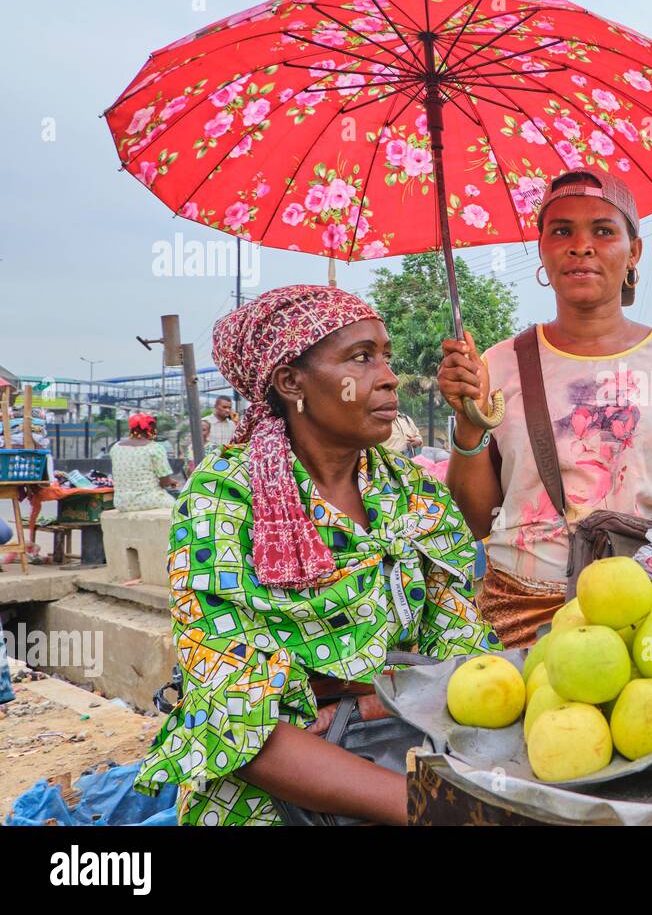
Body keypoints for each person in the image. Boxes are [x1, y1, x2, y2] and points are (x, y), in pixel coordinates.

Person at [133, 286, 498, 826]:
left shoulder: (410, 491)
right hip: (273, 807)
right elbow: (234, 723)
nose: (389, 376)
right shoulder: (226, 498)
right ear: (290, 382)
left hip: (409, 759)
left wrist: (364, 704)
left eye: (386, 355)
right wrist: (434, 811)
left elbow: (465, 661)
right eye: (360, 357)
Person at [438, 169, 652, 648]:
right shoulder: (497, 364)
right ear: (543, 252)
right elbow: (475, 519)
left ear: (633, 252)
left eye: (603, 230)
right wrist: (469, 429)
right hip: (521, 618)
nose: (581, 246)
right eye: (561, 231)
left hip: (651, 610)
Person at [108, 413, 179, 512]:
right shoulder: (155, 448)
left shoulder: (116, 447)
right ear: (150, 429)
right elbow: (164, 482)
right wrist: (170, 483)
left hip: (121, 502)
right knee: (178, 507)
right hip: (148, 500)